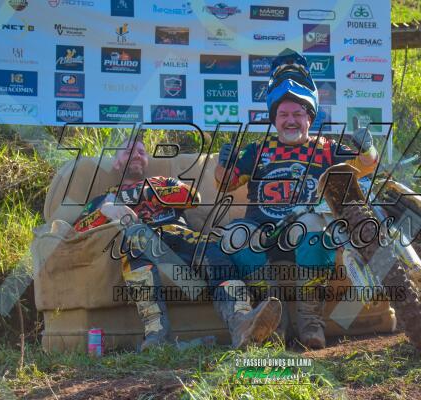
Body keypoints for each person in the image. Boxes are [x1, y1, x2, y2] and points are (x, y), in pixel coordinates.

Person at [214, 49, 380, 349]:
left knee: (314, 225)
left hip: (306, 234)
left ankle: (310, 322)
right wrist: (223, 164)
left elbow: (366, 165)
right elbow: (225, 184)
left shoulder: (326, 148)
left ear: (310, 117)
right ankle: (274, 322)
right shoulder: (256, 150)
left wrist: (367, 147)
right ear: (274, 119)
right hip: (263, 233)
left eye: (298, 114)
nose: (290, 121)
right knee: (234, 234)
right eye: (284, 115)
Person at [73, 136, 282, 351]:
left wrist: (146, 192)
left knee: (217, 252)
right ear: (116, 163)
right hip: (143, 244)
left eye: (141, 152)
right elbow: (78, 229)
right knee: (135, 237)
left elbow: (192, 197)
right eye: (128, 152)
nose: (136, 155)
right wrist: (105, 210)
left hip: (183, 238)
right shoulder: (104, 199)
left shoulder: (162, 182)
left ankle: (242, 323)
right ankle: (156, 336)